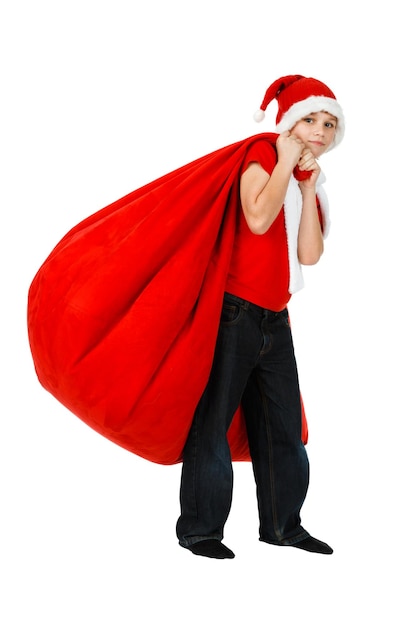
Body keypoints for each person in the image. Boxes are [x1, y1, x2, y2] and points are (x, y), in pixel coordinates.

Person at [176, 74, 345, 559]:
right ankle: (201, 531)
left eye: (329, 123)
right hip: (233, 312)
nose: (320, 129)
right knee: (213, 424)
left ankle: (283, 527)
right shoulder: (260, 153)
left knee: (282, 429)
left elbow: (309, 255)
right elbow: (257, 217)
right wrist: (286, 160)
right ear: (290, 120)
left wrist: (308, 186)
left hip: (275, 317)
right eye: (311, 118)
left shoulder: (305, 174)